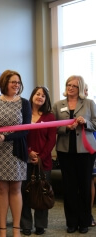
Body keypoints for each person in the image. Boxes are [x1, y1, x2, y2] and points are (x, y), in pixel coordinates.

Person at [0, 69, 31, 237]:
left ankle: (16, 229)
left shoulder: (24, 103)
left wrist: (5, 137)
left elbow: (25, 130)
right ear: (5, 83)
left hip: (16, 151)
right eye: (13, 82)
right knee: (1, 190)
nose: (16, 85)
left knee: (16, 189)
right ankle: (3, 229)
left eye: (18, 82)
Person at [52, 75, 96, 234]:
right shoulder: (58, 105)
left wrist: (86, 122)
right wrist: (66, 128)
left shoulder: (89, 103)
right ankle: (71, 222)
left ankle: (84, 221)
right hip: (65, 151)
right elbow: (52, 127)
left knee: (84, 186)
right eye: (68, 85)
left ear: (80, 88)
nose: (70, 88)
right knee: (69, 188)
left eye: (74, 86)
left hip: (85, 151)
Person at [20, 86, 56, 236]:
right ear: (32, 95)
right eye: (37, 94)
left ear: (46, 99)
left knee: (42, 192)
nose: (40, 97)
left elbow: (51, 140)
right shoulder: (23, 114)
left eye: (43, 95)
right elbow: (20, 136)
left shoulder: (50, 117)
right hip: (23, 160)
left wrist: (40, 156)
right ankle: (26, 225)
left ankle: (40, 225)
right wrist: (29, 153)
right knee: (24, 193)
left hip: (44, 162)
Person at [85, 83, 96, 227]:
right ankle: (89, 214)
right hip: (89, 149)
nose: (85, 92)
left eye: (87, 90)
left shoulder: (91, 105)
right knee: (90, 180)